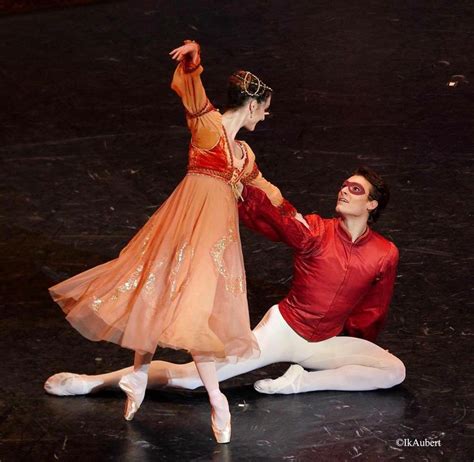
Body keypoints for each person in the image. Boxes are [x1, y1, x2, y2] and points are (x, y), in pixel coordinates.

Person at [47, 40, 293, 443]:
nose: (265, 116)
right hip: (185, 228)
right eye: (264, 108)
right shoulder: (209, 126)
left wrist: (289, 208)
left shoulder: (244, 153)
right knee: (181, 306)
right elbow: (194, 99)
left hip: (214, 239)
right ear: (251, 106)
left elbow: (261, 185)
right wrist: (195, 64)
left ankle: (139, 375)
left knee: (171, 301)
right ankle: (217, 400)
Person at [45, 167, 405, 400]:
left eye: (355, 189)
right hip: (283, 332)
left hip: (325, 342)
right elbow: (276, 215)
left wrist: (351, 348)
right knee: (191, 380)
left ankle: (299, 382)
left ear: (372, 203)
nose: (343, 190)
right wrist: (243, 183)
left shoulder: (384, 253)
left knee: (392, 371)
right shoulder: (315, 231)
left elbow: (373, 308)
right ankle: (90, 381)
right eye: (343, 184)